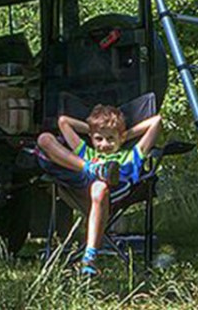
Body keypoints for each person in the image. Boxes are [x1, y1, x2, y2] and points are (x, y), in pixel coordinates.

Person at [37, 104, 163, 276]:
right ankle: (93, 169)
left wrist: (125, 135)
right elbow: (63, 121)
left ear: (120, 138)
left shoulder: (130, 155)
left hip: (113, 190)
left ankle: (90, 257)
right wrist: (94, 129)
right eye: (98, 139)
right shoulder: (87, 152)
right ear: (91, 138)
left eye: (111, 139)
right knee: (44, 139)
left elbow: (157, 121)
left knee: (99, 187)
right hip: (82, 181)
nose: (104, 144)